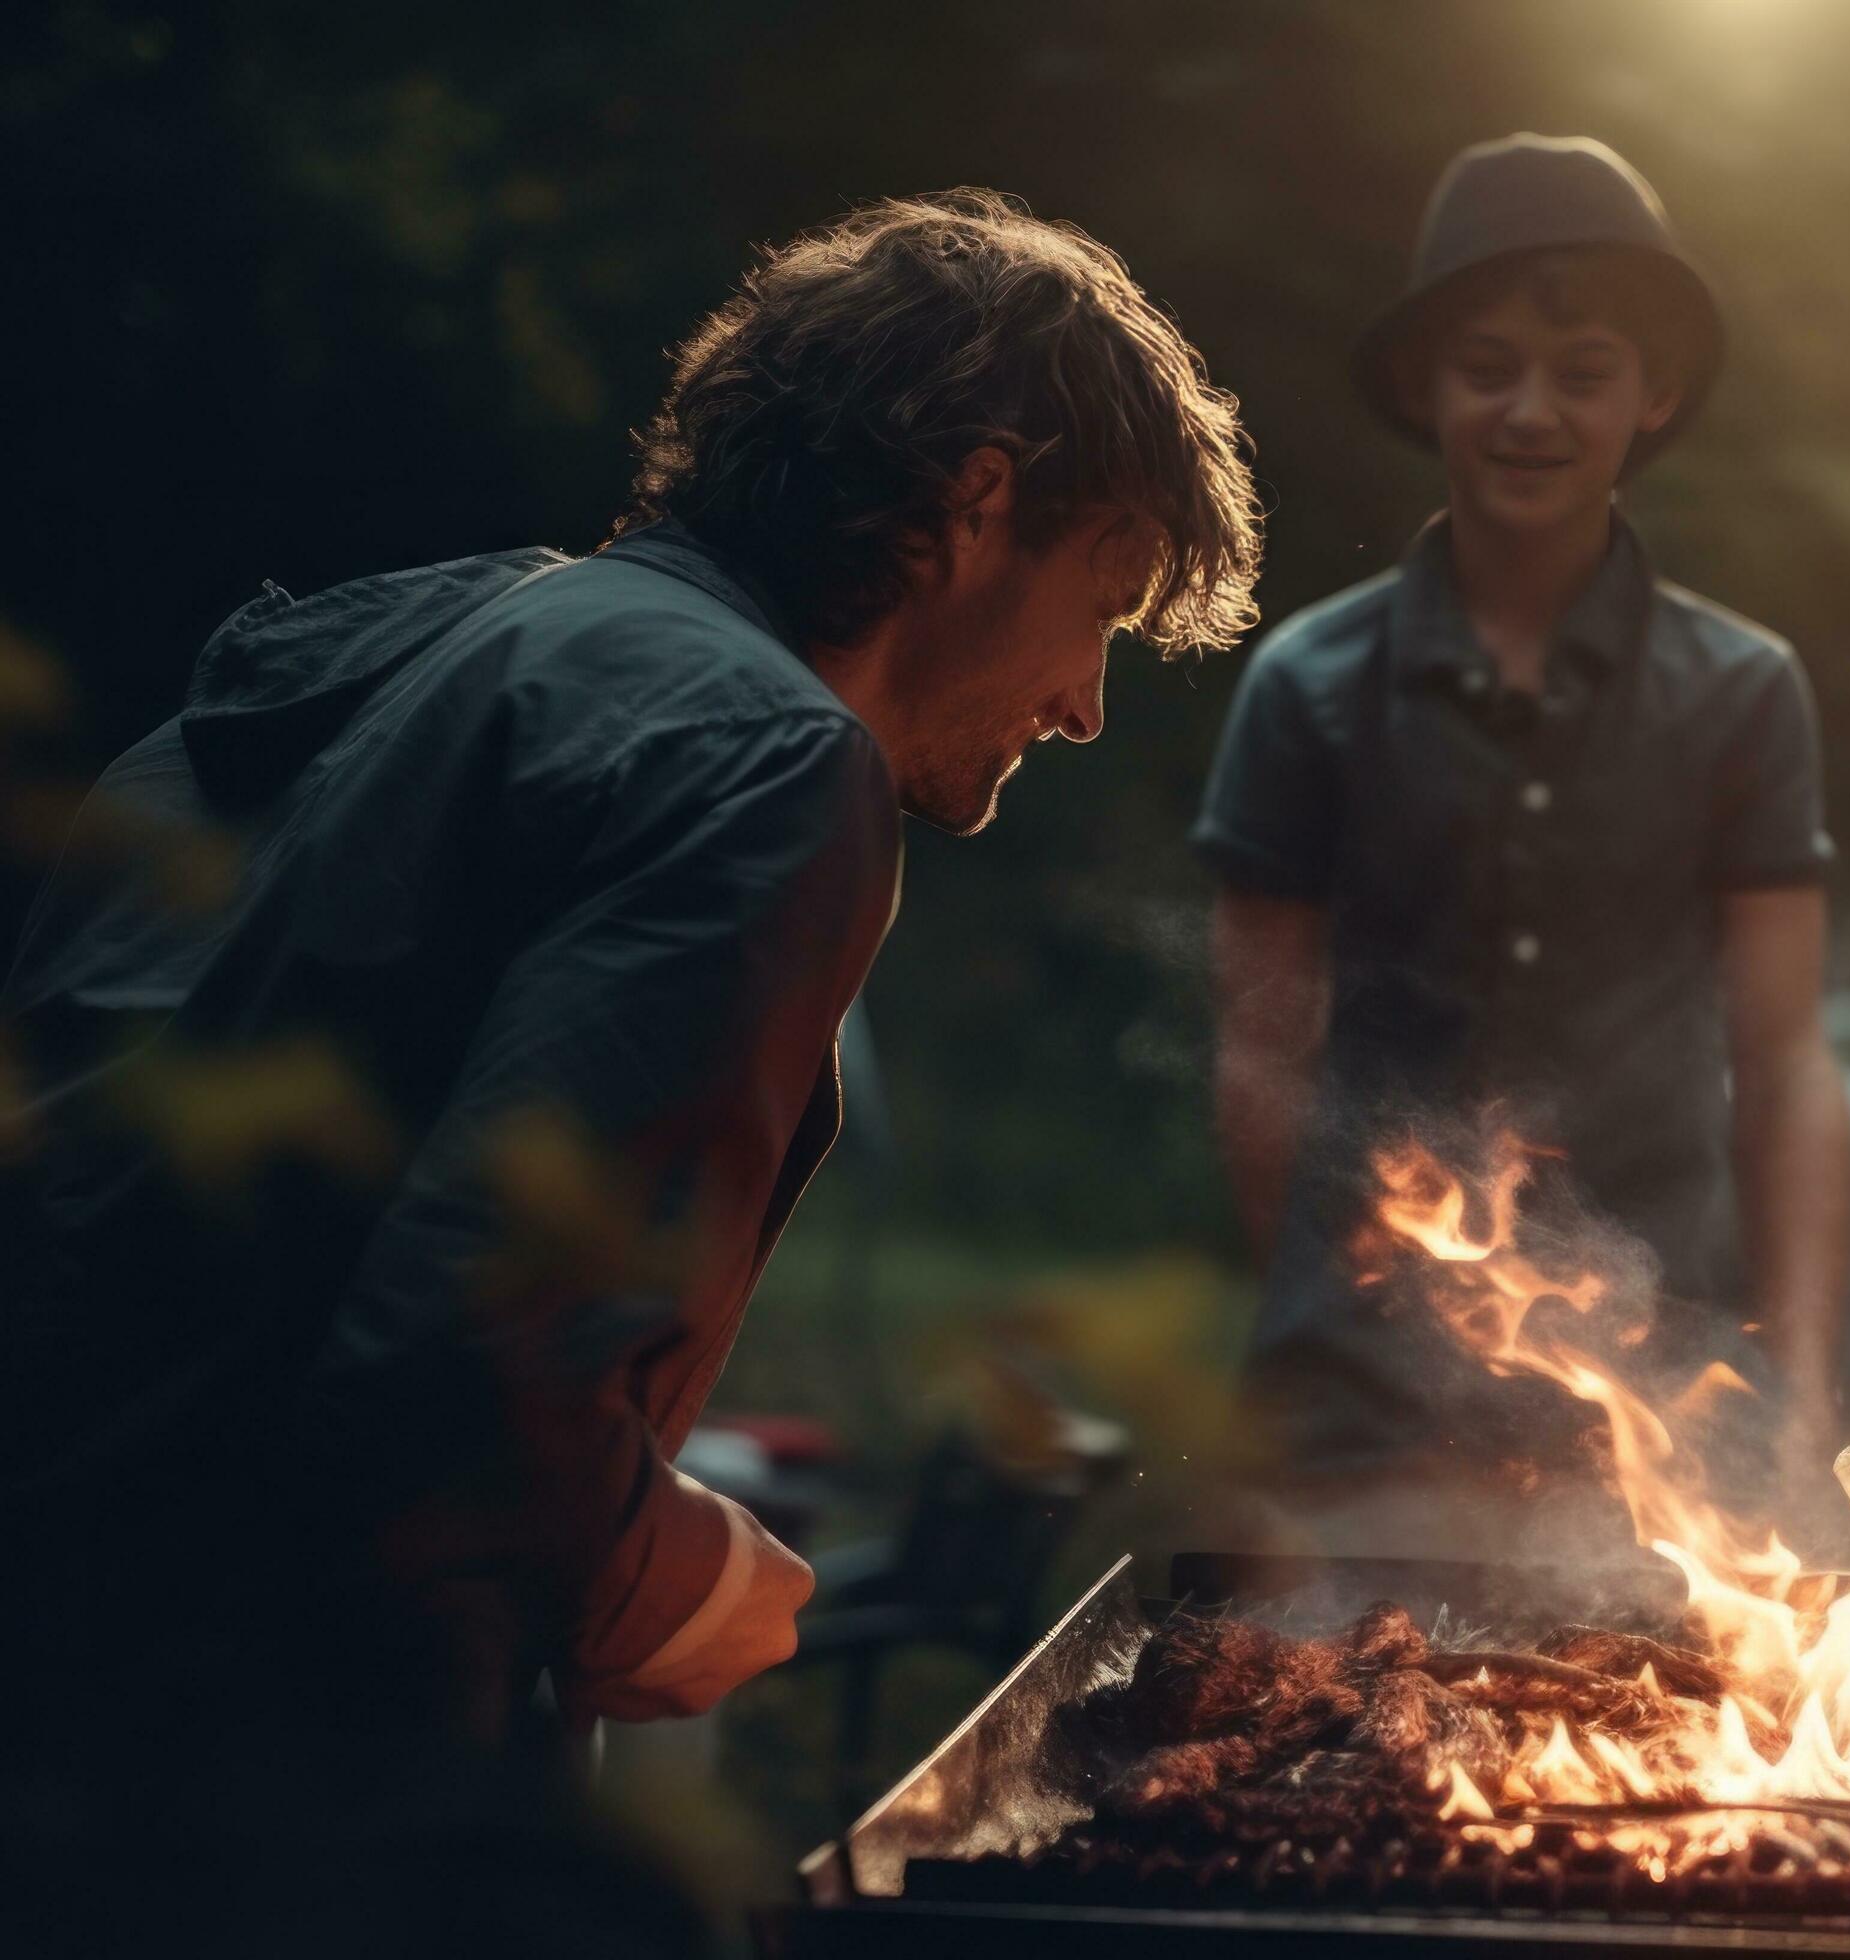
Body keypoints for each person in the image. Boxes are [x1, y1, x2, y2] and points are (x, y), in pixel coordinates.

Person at [0, 191, 1262, 1767]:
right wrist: (666, 1582)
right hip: (259, 1759)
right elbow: (466, 1360)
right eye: (1100, 606)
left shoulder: (429, 633)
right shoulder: (769, 761)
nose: (1083, 706)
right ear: (975, 504)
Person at [1196, 134, 1850, 1532]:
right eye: (1486, 364)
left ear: (1653, 394)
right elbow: (1263, 1045)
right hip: (1357, 1411)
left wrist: (1795, 1374)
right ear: (1427, 385)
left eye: (1582, 371)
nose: (1529, 410)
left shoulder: (1743, 693)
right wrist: (1333, 1308)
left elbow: (1783, 1059)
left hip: (1663, 1394)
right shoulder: (1306, 689)